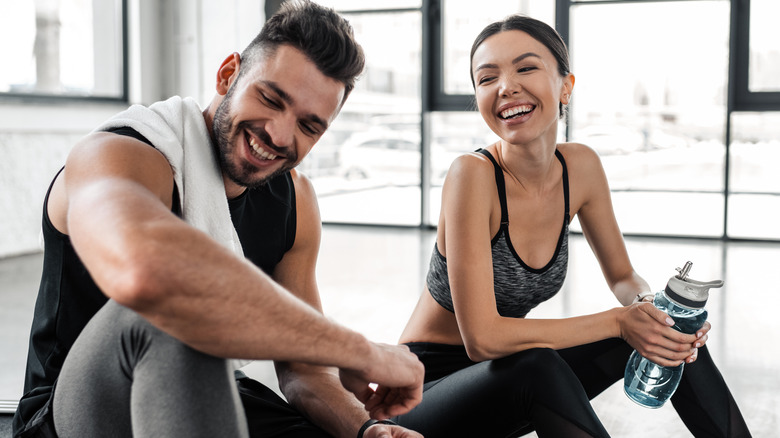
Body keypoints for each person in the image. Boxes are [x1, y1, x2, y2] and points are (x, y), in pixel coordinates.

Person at [12, 1, 424, 437]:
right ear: (228, 74)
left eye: (308, 126)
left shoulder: (296, 202)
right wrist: (359, 352)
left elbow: (305, 370)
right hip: (77, 413)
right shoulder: (121, 155)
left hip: (196, 391)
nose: (280, 135)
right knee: (166, 311)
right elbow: (152, 280)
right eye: (270, 98)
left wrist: (365, 429)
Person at [393, 14, 751, 438]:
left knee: (671, 337)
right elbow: (484, 339)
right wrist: (620, 321)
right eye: (487, 78)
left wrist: (655, 313)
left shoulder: (580, 166)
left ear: (566, 85)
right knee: (539, 363)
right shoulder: (471, 175)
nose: (506, 86)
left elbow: (622, 277)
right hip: (422, 392)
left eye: (526, 68)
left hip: (505, 377)